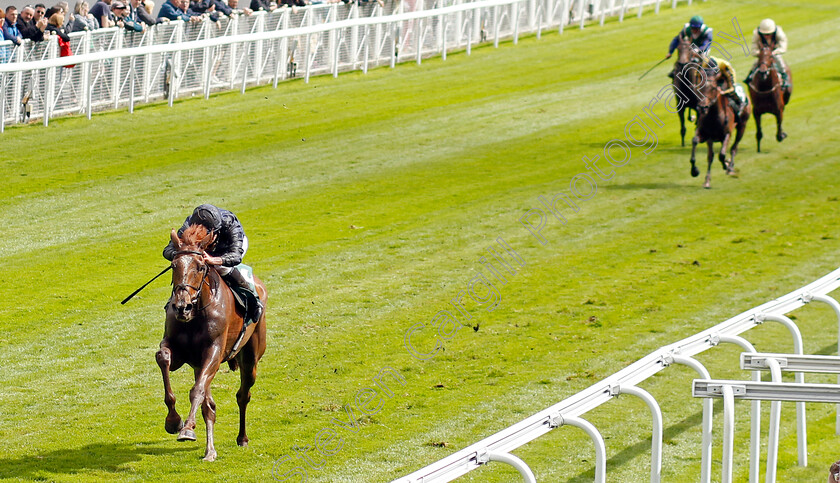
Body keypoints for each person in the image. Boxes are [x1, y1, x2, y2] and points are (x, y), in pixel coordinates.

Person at [163, 204, 264, 324]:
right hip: (199, 250)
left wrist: (215, 260)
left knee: (221, 268)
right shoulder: (189, 224)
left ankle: (253, 299)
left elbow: (236, 256)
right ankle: (174, 301)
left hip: (228, 247)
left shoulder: (229, 224)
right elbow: (167, 250)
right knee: (188, 268)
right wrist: (186, 255)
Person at [744, 18, 789, 90]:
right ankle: (750, 76)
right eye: (764, 34)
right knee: (757, 63)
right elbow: (753, 49)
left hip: (775, 52)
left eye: (768, 34)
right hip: (763, 54)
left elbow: (783, 46)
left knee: (779, 60)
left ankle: (785, 76)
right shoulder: (756, 34)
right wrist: (762, 54)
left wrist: (774, 52)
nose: (766, 36)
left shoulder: (779, 33)